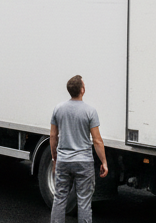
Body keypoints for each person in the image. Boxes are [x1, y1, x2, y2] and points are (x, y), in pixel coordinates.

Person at [49, 74, 108, 223]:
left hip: (63, 160)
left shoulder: (58, 109)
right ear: (82, 90)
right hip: (84, 162)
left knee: (59, 198)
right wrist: (104, 162)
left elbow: (53, 136)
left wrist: (54, 157)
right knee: (84, 202)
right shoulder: (90, 111)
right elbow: (97, 140)